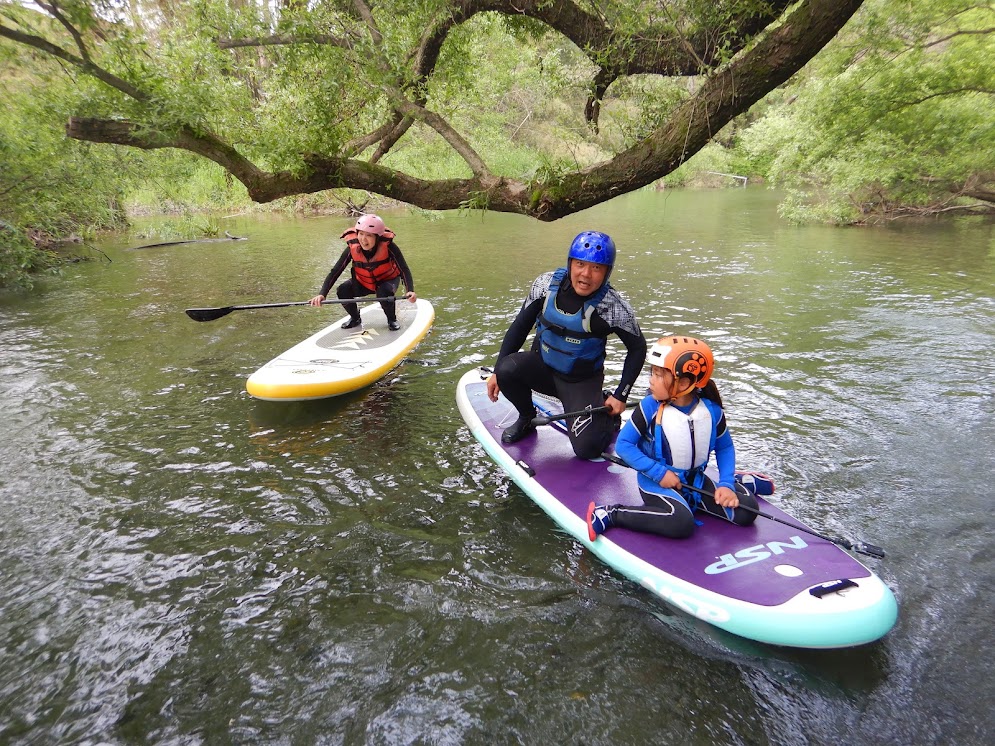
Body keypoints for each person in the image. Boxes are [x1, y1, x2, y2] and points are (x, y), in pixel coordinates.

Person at [486, 230, 647, 460]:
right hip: (543, 369)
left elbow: (638, 348)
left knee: (587, 449)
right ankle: (526, 417)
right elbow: (519, 327)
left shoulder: (613, 307)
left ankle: (606, 415)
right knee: (506, 369)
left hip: (580, 382)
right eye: (580, 264)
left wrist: (621, 395)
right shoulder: (544, 285)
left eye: (596, 268)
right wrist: (496, 372)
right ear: (570, 263)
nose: (586, 274)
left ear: (607, 272)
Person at [587, 336, 759, 540]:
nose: (651, 380)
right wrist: (659, 473)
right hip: (656, 482)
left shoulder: (712, 412)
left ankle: (738, 479)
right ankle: (610, 513)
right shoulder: (649, 407)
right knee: (681, 522)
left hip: (694, 481)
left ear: (684, 382)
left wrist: (726, 484)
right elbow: (624, 445)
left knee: (748, 510)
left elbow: (725, 447)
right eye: (653, 372)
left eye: (659, 375)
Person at [308, 214, 416, 331]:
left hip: (387, 280)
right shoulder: (352, 247)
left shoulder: (390, 247)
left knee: (383, 292)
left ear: (377, 237)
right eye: (361, 234)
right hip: (364, 282)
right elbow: (335, 271)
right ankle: (355, 318)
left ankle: (391, 319)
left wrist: (410, 290)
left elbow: (404, 268)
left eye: (369, 235)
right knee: (343, 290)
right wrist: (322, 294)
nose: (363, 239)